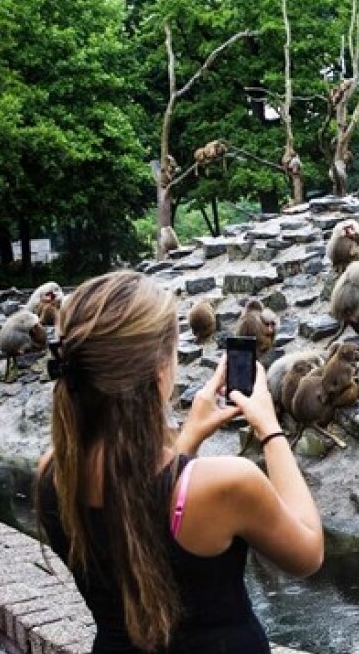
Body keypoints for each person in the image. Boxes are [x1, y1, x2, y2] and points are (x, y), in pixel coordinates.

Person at [36, 271, 323, 653]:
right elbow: (308, 553)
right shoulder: (229, 483)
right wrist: (270, 429)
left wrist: (189, 437)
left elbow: (143, 503)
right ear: (160, 368)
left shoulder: (53, 473)